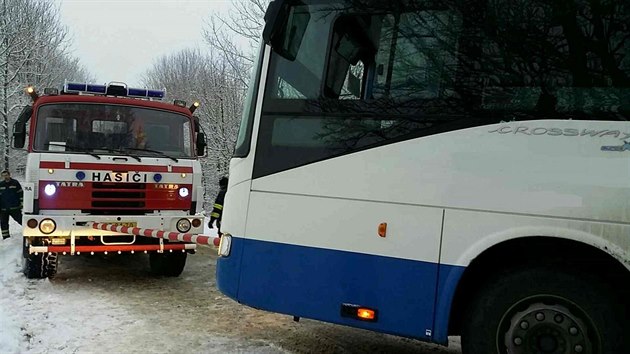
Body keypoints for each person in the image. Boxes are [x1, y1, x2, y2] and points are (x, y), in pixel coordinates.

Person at [0, 170, 23, 239]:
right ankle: (6, 237)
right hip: (3, 209)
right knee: (3, 223)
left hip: (15, 208)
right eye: (3, 176)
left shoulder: (15, 183)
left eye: (6, 175)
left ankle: (30, 231)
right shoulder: (1, 184)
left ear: (9, 175)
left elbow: (20, 193)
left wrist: (21, 202)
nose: (5, 177)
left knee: (21, 220)